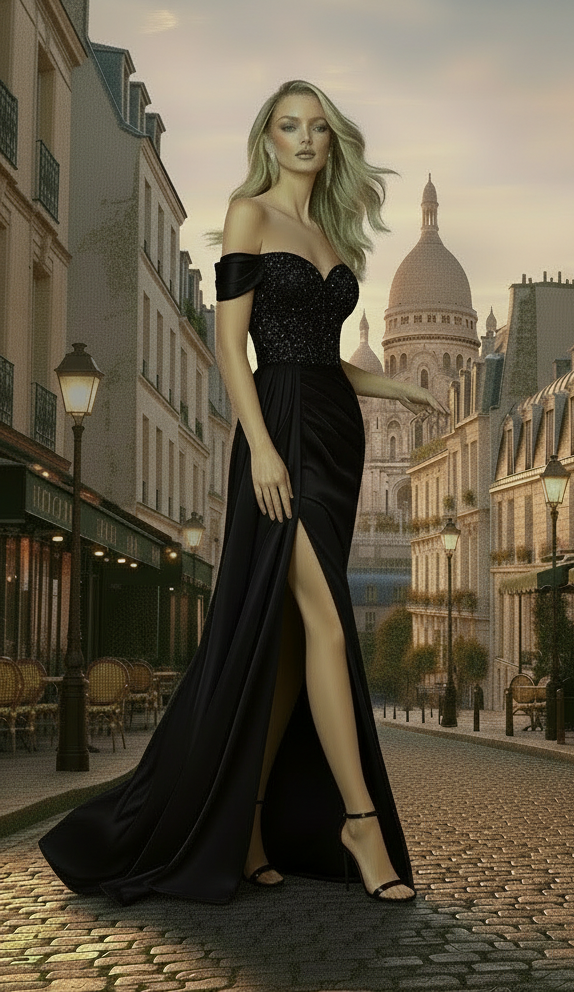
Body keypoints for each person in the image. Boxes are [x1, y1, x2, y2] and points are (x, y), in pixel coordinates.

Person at [39, 79, 439, 905]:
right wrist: (258, 448)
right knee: (329, 616)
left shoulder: (330, 229)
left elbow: (326, 355)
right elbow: (230, 348)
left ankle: (251, 817)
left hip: (335, 433)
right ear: (269, 136)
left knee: (289, 640)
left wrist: (399, 392)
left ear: (332, 143)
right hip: (280, 430)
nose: (303, 139)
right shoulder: (249, 212)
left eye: (316, 128)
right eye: (288, 126)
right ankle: (358, 821)